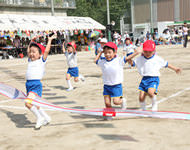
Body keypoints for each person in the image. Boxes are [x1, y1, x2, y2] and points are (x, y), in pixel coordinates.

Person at [131, 40, 181, 111]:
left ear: (154, 51)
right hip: (144, 79)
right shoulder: (140, 58)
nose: (148, 53)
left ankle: (154, 104)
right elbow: (132, 63)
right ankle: (143, 109)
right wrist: (133, 55)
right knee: (141, 98)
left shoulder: (157, 59)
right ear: (143, 51)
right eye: (146, 51)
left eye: (150, 52)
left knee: (151, 92)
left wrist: (175, 69)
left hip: (153, 79)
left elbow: (166, 64)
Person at [95, 42, 140, 119]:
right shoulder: (103, 61)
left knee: (116, 102)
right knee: (107, 103)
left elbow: (127, 58)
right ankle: (110, 115)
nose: (107, 55)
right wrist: (100, 53)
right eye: (105, 53)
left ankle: (122, 101)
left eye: (109, 52)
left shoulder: (119, 60)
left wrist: (136, 52)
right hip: (106, 86)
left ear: (115, 52)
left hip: (116, 86)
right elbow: (95, 61)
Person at [25, 34, 57, 129]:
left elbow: (46, 50)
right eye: (31, 52)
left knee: (28, 103)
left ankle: (39, 118)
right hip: (28, 84)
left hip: (36, 85)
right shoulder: (30, 60)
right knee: (36, 104)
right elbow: (27, 50)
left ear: (40, 54)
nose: (31, 54)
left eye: (34, 52)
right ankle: (47, 118)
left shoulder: (41, 61)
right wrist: (31, 41)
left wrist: (50, 40)